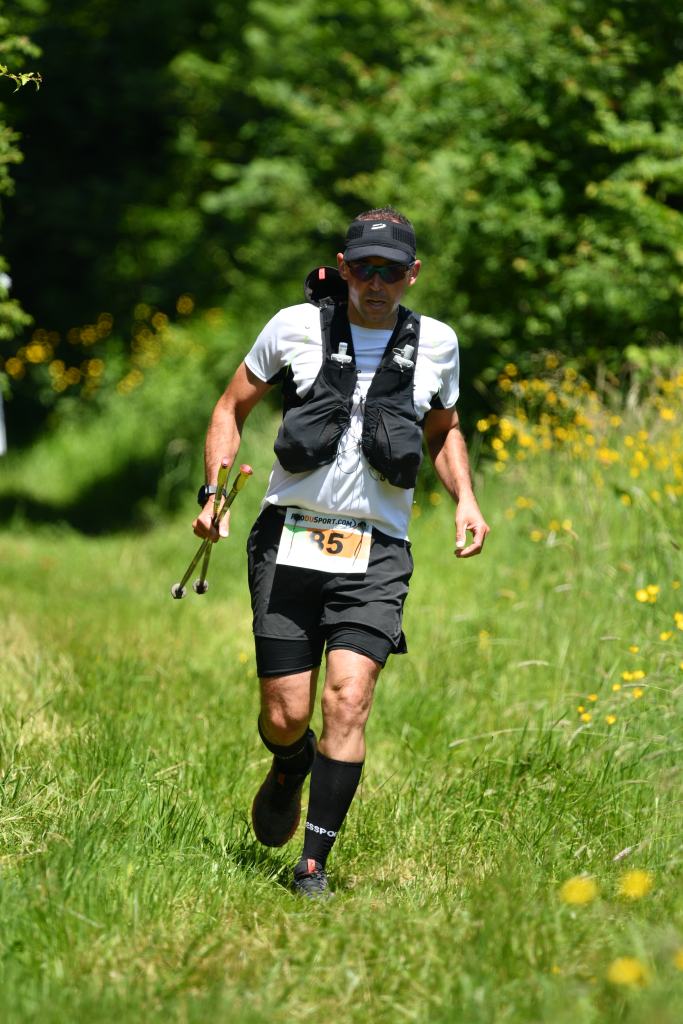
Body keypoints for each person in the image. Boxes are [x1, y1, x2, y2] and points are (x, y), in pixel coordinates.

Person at [193, 206, 489, 898]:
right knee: (285, 714)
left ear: (413, 274)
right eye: (363, 269)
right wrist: (213, 494)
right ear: (344, 267)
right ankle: (289, 762)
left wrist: (466, 499)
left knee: (349, 699)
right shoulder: (294, 327)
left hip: (377, 548)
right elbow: (229, 409)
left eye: (391, 271)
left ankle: (312, 864)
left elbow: (443, 429)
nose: (376, 283)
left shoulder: (437, 343)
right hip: (288, 537)